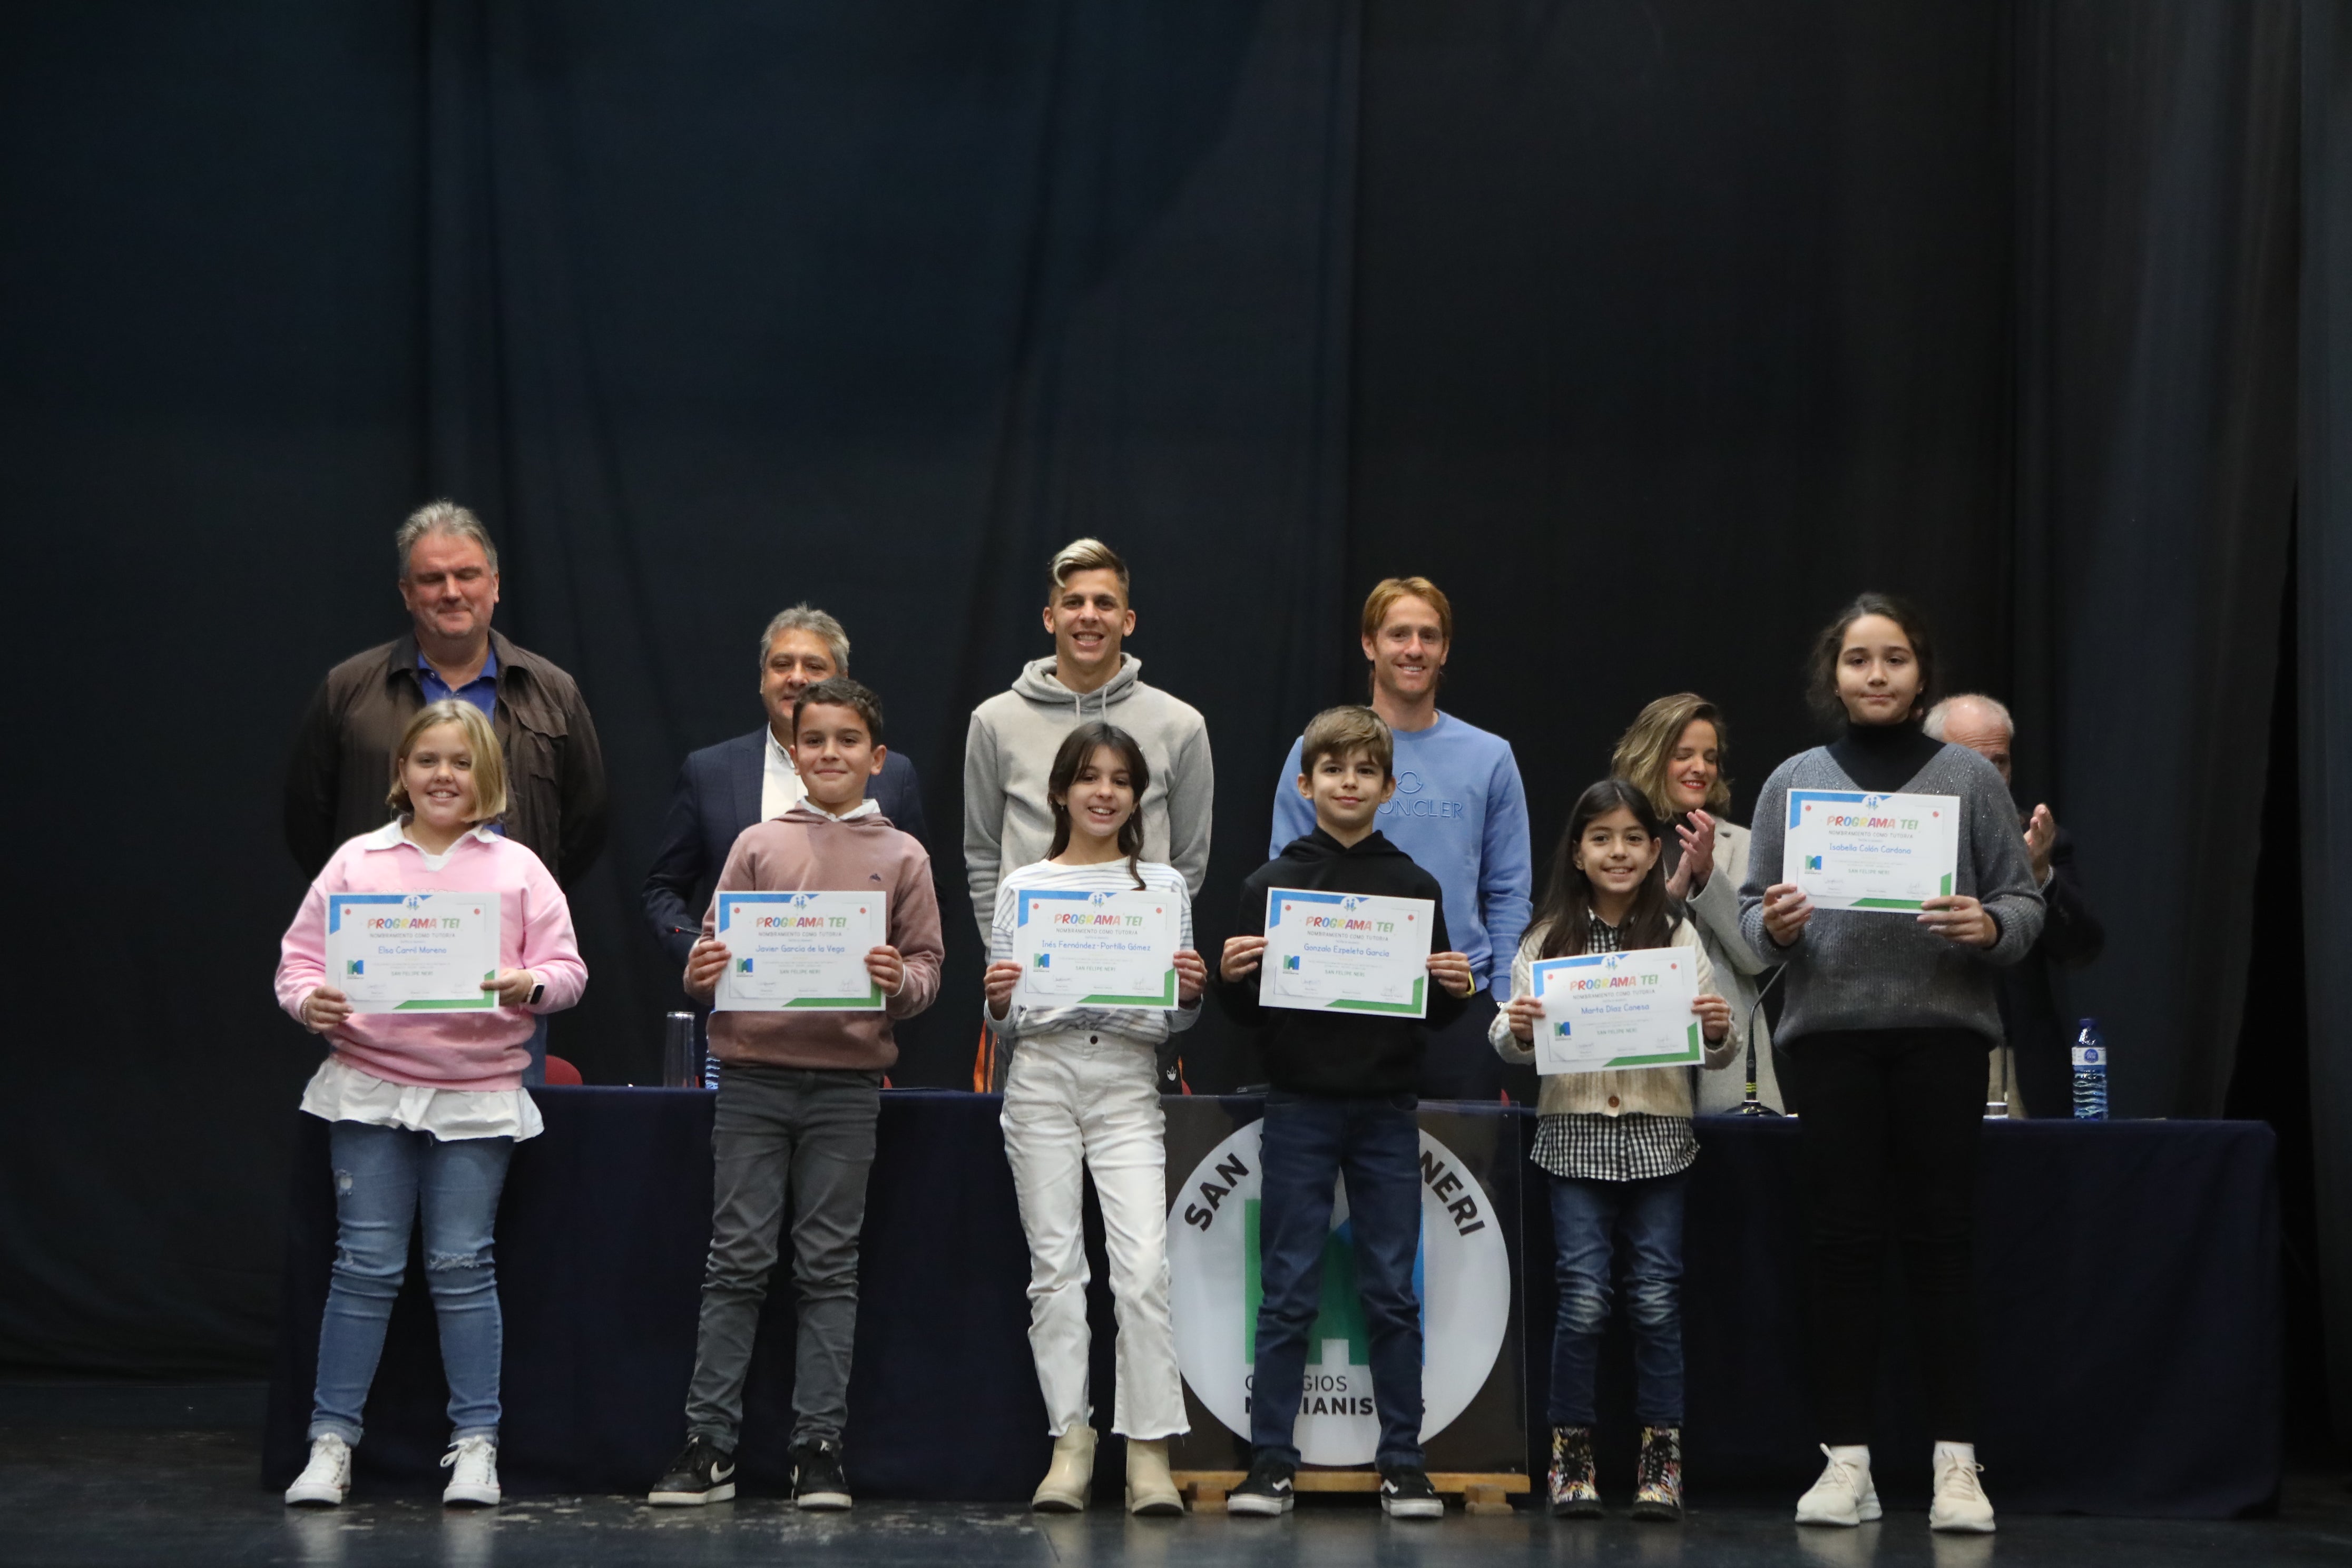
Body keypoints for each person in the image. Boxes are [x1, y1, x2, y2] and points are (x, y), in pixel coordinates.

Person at [1739, 593, 2044, 1535]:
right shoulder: (1793, 778)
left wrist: (1988, 924)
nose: (1875, 676)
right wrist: (1775, 926)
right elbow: (1750, 913)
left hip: (1941, 1038)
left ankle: (1956, 1465)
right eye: (1858, 660)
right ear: (1831, 674)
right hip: (1828, 1042)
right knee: (1840, 1247)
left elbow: (2023, 906)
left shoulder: (1965, 777)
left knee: (1941, 1245)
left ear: (1921, 674)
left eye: (1894, 659)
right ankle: (1846, 1463)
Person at [276, 700, 588, 1510]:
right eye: (426, 761)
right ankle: (330, 1442)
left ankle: (477, 1443)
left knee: (461, 1265)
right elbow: (298, 964)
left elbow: (568, 968)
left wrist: (535, 983)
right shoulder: (357, 861)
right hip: (370, 1090)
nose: (442, 776)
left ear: (487, 775)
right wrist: (310, 1001)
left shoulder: (518, 868)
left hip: (478, 1095)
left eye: (459, 762)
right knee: (364, 1267)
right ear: (401, 774)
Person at [648, 677, 943, 1513]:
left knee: (828, 1267)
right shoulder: (755, 844)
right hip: (751, 1077)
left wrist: (899, 982)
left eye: (848, 741)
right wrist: (703, 970)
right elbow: (713, 953)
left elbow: (927, 966)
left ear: (876, 758)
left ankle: (819, 1447)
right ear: (793, 751)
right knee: (736, 1260)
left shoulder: (904, 856)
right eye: (814, 741)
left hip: (849, 1086)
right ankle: (710, 1444)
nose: (831, 755)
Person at [1216, 705, 1474, 1521]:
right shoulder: (1270, 884)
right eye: (1334, 770)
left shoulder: (1415, 886)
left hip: (1386, 1110)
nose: (1349, 783)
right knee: (1288, 1288)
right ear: (1306, 783)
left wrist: (1454, 992)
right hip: (1297, 1106)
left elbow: (1428, 1014)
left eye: (1366, 771)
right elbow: (1252, 1017)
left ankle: (1404, 1459)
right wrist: (1232, 978)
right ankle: (1270, 1463)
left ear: (1389, 787)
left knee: (1393, 1289)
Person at [283, 501, 607, 1084]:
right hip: (376, 1004)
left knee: (499, 1168)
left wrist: (520, 898)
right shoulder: (349, 692)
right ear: (408, 592)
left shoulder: (552, 693)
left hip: (500, 999)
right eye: (432, 579)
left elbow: (585, 822)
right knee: (373, 1159)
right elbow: (310, 819)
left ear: (496, 585)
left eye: (468, 575)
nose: (451, 592)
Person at [1492, 780, 1734, 1523]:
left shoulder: (1678, 936)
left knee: (1658, 1300)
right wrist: (1523, 1029)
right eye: (1601, 838)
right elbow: (1504, 1042)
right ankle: (1573, 1458)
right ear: (1577, 852)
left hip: (1662, 1138)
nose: (1618, 852)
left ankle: (1662, 1460)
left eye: (1632, 838)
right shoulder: (1547, 940)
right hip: (1573, 1142)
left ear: (1654, 851)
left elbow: (1715, 1054)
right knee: (1585, 1299)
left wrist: (1719, 1030)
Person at [981, 723, 1207, 1516]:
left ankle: (1148, 1451)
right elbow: (1003, 1020)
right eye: (1088, 778)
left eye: (1120, 780)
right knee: (1057, 1273)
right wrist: (1000, 1000)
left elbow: (1177, 1022)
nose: (1104, 792)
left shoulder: (1164, 889)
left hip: (1125, 1080)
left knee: (1143, 1270)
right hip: (1040, 1078)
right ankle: (1069, 1444)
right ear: (1061, 793)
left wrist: (1187, 995)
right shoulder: (1024, 887)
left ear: (1137, 794)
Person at [964, 538, 1214, 1088]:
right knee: (1024, 1163)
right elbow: (983, 854)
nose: (1089, 616)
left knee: (1133, 1158)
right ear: (1051, 618)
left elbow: (1188, 862)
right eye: (1074, 603)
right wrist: (1010, 954)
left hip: (1135, 1004)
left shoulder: (1181, 725)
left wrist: (1133, 951)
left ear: (1127, 621)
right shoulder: (995, 720)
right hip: (1034, 1003)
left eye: (1104, 604)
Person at [1270, 579, 1530, 1101]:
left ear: (1445, 649)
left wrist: (1500, 996)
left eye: (1429, 636)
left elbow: (1507, 890)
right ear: (1370, 644)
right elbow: (1286, 878)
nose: (1415, 649)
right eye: (1399, 634)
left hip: (1455, 1006)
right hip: (1341, 1002)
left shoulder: (1490, 757)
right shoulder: (1315, 752)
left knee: (1460, 1180)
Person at [643, 605, 930, 979]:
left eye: (813, 666)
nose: (796, 678)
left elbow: (924, 901)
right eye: (782, 665)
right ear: (762, 678)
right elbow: (664, 889)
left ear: (843, 680)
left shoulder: (894, 774)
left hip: (858, 1011)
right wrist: (700, 950)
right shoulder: (709, 772)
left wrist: (897, 972)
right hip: (743, 1006)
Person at [1924, 694, 2106, 1118]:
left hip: (2016, 1061)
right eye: (1974, 761)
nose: (1992, 777)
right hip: (1926, 1051)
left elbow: (2082, 948)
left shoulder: (2039, 837)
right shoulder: (1896, 830)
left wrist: (2041, 876)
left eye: (2000, 762)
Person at [1612, 694, 1783, 1112]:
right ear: (1649, 758)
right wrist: (1668, 901)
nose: (1700, 769)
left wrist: (1708, 875)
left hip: (1721, 1062)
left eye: (1710, 757)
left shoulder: (1741, 843)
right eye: (1683, 755)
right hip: (1637, 1052)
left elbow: (1754, 958)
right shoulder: (1614, 841)